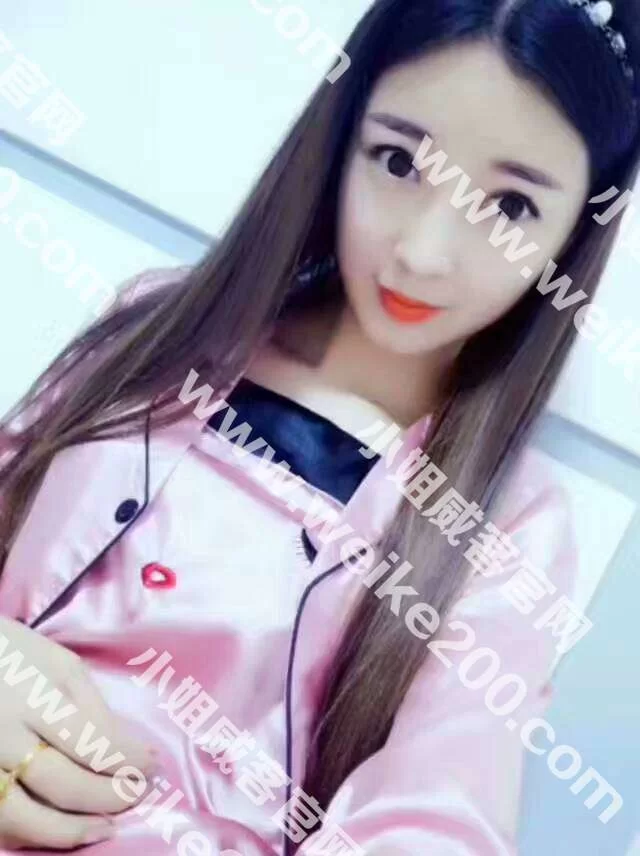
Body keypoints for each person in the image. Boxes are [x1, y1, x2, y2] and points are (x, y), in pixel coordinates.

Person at [0, 0, 638, 852]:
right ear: (342, 136)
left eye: (512, 207)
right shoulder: (157, 327)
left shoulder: (510, 524)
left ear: (574, 232)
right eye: (398, 160)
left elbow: (436, 828)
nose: (422, 251)